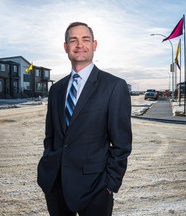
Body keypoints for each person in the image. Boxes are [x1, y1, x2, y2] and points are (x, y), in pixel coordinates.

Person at [37, 21, 132, 216]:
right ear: (66, 47)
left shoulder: (114, 86)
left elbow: (121, 144)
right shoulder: (56, 89)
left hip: (95, 188)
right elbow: (51, 135)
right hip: (56, 185)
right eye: (73, 40)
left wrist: (109, 184)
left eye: (85, 39)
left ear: (94, 45)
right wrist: (49, 161)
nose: (79, 45)